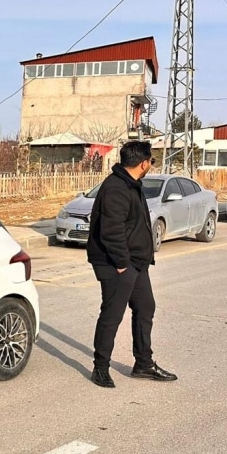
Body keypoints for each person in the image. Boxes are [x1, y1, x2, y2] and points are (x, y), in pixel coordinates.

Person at [86, 141, 177, 388]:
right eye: (151, 161)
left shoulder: (131, 183)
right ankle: (100, 368)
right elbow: (111, 231)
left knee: (145, 307)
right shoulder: (116, 187)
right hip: (116, 263)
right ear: (143, 163)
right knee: (112, 314)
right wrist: (122, 264)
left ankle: (143, 364)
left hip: (135, 262)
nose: (150, 165)